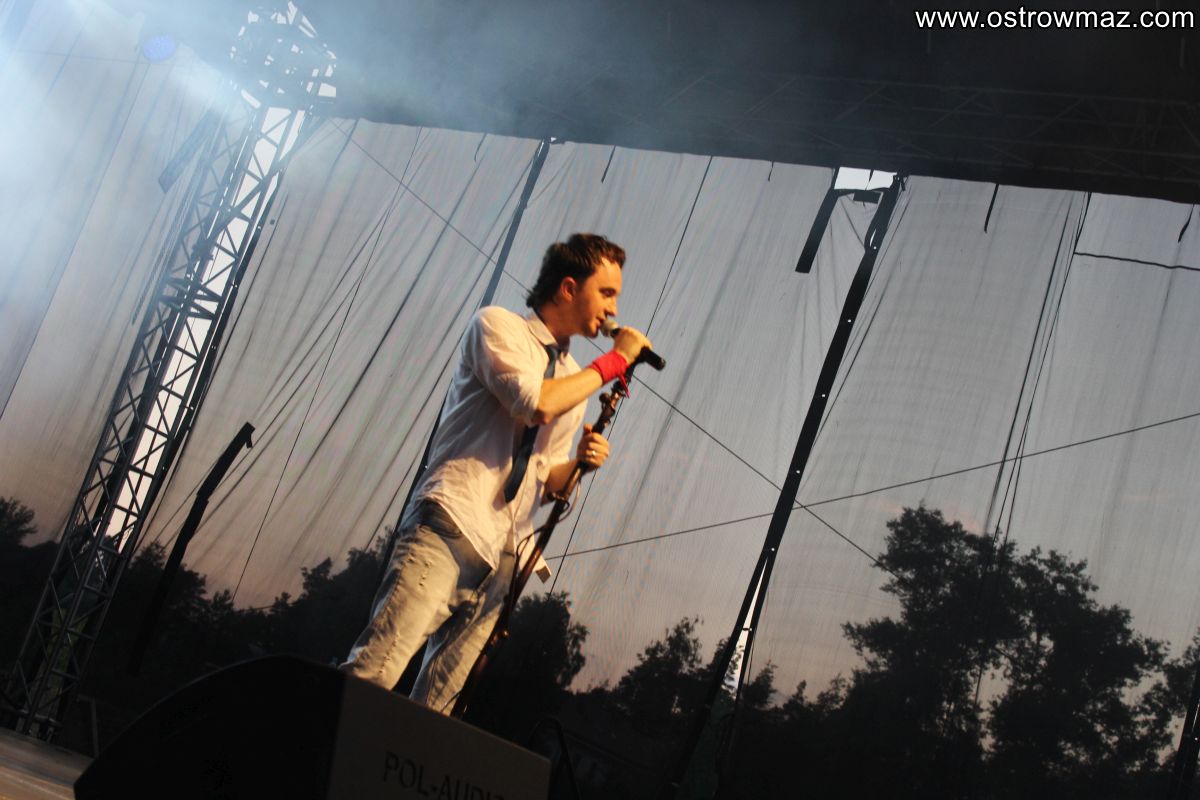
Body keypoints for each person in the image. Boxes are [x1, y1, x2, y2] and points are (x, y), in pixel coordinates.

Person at [342, 233, 651, 713]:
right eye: (607, 293)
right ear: (569, 287)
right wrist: (614, 362)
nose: (613, 309)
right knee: (374, 673)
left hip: (506, 553)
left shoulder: (574, 381)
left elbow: (543, 480)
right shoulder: (497, 326)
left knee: (436, 710)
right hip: (451, 524)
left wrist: (579, 464)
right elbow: (534, 404)